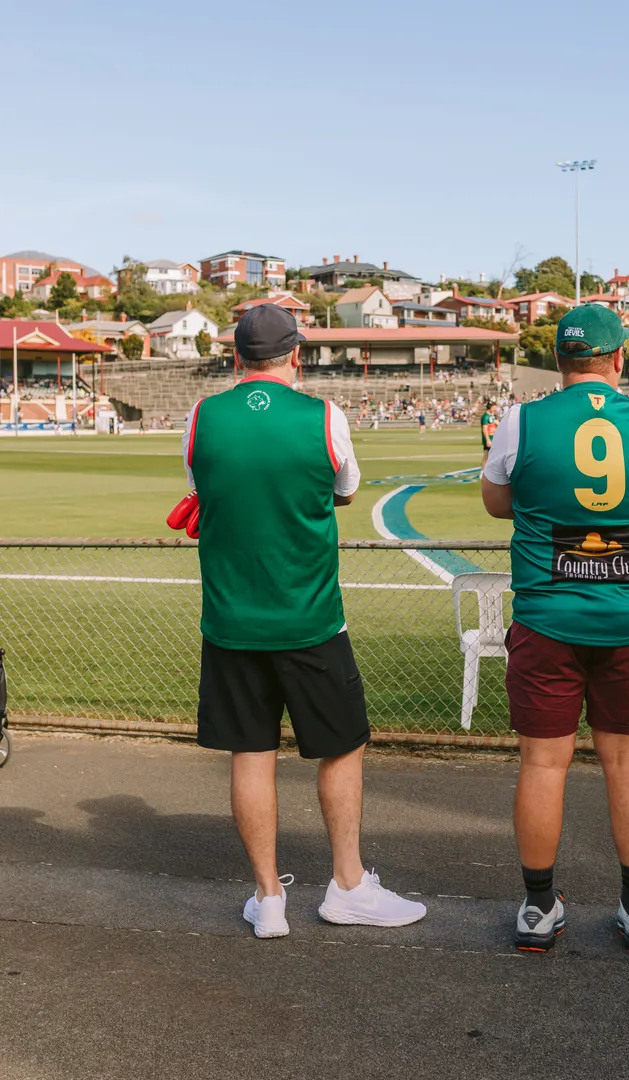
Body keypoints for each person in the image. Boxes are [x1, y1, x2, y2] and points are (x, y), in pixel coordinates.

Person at [183, 305, 426, 939]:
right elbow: (343, 489)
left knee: (251, 754)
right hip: (312, 619)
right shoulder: (323, 416)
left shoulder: (202, 416)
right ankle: (346, 885)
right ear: (296, 355)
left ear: (237, 357)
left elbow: (201, 483)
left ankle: (268, 900)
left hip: (231, 623)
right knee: (341, 748)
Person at [481, 305, 629, 955]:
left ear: (559, 361)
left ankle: (538, 908)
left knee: (542, 762)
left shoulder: (520, 419)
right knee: (628, 760)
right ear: (618, 360)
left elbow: (496, 500)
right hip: (626, 616)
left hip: (545, 616)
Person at [480, 400, 497, 468]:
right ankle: (483, 471)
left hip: (493, 439)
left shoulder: (492, 416)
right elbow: (484, 429)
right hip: (489, 439)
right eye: (494, 407)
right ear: (490, 407)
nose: (495, 409)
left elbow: (493, 425)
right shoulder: (485, 417)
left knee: (493, 456)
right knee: (486, 456)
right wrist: (487, 440)